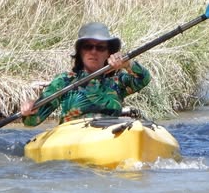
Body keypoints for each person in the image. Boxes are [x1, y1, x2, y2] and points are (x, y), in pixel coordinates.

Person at [20, 22, 151, 126]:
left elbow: (143, 79)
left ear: (108, 52)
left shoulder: (117, 81)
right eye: (88, 46)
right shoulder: (65, 81)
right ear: (80, 51)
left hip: (110, 133)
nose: (93, 52)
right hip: (73, 137)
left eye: (100, 48)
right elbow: (33, 121)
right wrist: (29, 109)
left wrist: (127, 64)